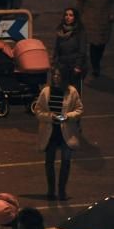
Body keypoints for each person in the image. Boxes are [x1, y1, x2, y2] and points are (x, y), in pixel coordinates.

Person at [35, 66, 83, 200]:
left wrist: (68, 116)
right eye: (54, 75)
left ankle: (62, 190)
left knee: (66, 162)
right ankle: (51, 190)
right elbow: (38, 110)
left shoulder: (72, 92)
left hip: (66, 132)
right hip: (50, 132)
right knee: (49, 162)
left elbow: (79, 109)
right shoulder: (46, 91)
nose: (56, 77)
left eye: (58, 75)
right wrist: (50, 117)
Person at [77, 0, 114, 78]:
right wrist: (79, 14)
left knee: (101, 44)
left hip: (104, 21)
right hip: (90, 20)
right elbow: (80, 1)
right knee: (93, 44)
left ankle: (96, 62)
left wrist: (112, 13)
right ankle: (95, 66)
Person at [52, 7, 87, 87]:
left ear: (75, 17)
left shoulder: (80, 31)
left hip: (74, 66)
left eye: (71, 15)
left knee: (73, 91)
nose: (68, 17)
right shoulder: (61, 30)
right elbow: (57, 48)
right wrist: (54, 63)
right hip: (62, 65)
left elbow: (82, 50)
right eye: (66, 15)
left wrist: (78, 66)